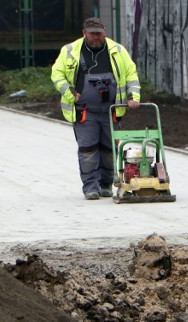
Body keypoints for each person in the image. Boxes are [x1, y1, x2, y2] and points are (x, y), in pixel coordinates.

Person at [51, 17, 140, 200]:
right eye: (92, 34)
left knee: (109, 150)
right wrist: (70, 92)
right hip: (85, 111)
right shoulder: (70, 51)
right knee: (88, 150)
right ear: (84, 33)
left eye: (99, 34)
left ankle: (106, 184)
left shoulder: (117, 51)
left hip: (111, 111)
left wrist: (133, 97)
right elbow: (57, 74)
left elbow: (131, 74)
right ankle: (91, 187)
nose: (96, 37)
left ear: (104, 32)